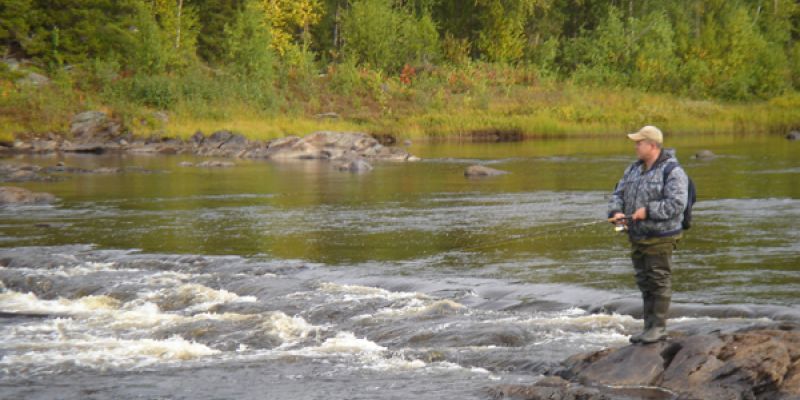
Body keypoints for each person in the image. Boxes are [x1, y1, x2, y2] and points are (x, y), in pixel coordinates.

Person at [608, 126, 689, 344]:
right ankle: (648, 327)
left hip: (662, 235)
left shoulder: (672, 171)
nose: (636, 147)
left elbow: (677, 204)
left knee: (658, 280)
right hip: (637, 235)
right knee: (644, 281)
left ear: (652, 145)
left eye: (639, 143)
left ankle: (659, 328)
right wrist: (616, 212)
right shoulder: (633, 169)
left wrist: (648, 211)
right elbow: (618, 193)